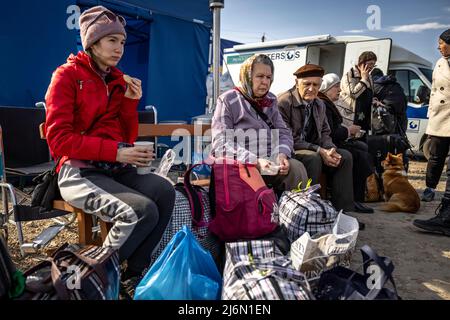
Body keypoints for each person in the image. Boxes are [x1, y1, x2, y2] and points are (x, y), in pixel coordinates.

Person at [44, 6, 176, 284]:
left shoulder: (117, 81)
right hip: (78, 171)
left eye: (123, 42)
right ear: (92, 42)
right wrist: (117, 151)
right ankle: (92, 279)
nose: (119, 48)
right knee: (140, 211)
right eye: (112, 40)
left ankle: (133, 274)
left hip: (113, 169)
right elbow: (58, 140)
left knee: (164, 191)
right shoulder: (66, 76)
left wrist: (130, 104)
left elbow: (125, 135)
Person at [211, 54, 308, 194]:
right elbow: (221, 143)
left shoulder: (271, 99)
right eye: (260, 76)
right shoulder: (228, 100)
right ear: (247, 76)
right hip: (242, 164)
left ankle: (296, 212)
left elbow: (283, 132)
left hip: (270, 161)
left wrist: (282, 154)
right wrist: (255, 161)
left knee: (296, 167)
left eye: (268, 77)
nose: (265, 82)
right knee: (297, 168)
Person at [277, 64, 354, 212]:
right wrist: (320, 150)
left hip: (312, 148)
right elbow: (287, 138)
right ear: (296, 82)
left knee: (344, 156)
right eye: (307, 84)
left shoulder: (319, 103)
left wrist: (330, 149)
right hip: (291, 149)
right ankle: (310, 210)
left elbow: (325, 132)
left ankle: (342, 211)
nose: (312, 89)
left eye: (316, 85)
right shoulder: (284, 102)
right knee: (313, 158)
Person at [318, 73, 374, 213]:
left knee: (363, 147)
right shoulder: (323, 103)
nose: (340, 90)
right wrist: (349, 131)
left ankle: (355, 198)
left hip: (333, 141)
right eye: (336, 86)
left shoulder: (328, 103)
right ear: (327, 88)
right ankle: (349, 201)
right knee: (356, 155)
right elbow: (330, 132)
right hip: (329, 144)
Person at [414, 29, 450, 236]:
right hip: (440, 117)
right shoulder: (438, 63)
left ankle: (446, 215)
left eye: (442, 43)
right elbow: (435, 90)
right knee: (435, 157)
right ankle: (430, 188)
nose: (439, 47)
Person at [339, 51, 377, 133]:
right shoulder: (349, 75)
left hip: (364, 117)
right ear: (361, 63)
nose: (371, 67)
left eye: (373, 65)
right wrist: (363, 79)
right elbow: (353, 94)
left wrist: (373, 100)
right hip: (351, 117)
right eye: (370, 64)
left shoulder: (369, 77)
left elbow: (369, 92)